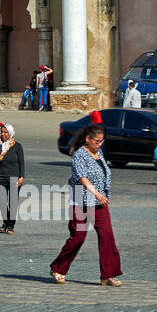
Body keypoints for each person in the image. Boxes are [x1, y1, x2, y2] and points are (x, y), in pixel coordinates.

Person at [49, 123, 122, 287]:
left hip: (99, 203)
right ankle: (58, 268)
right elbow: (82, 178)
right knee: (78, 237)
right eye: (97, 141)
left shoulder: (99, 153)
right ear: (88, 139)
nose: (100, 144)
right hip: (81, 201)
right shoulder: (79, 155)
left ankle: (108, 275)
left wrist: (101, 194)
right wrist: (96, 193)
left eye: (102, 141)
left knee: (107, 236)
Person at [0, 122, 25, 233]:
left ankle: (11, 225)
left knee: (13, 203)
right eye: (2, 132)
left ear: (10, 133)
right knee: (2, 202)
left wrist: (22, 177)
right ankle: (5, 222)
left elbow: (21, 163)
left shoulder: (17, 146)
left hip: (14, 178)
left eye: (5, 132)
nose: (3, 134)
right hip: (1, 177)